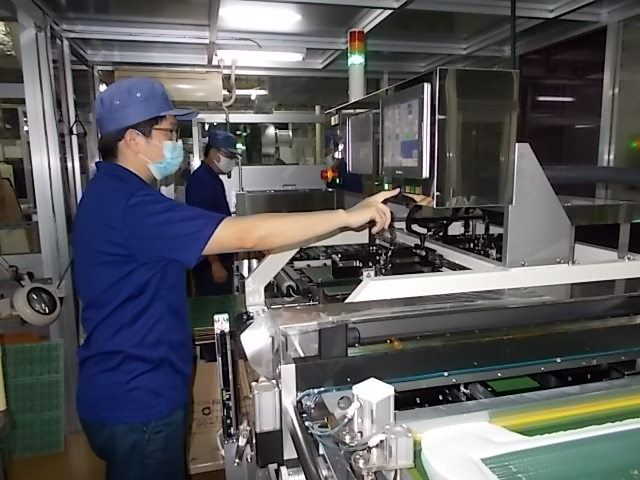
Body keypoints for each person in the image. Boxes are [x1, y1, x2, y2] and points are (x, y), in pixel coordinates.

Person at [72, 77, 398, 480]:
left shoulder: (107, 193)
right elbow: (247, 233)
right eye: (169, 133)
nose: (177, 143)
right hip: (139, 398)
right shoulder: (131, 205)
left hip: (123, 384)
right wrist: (348, 217)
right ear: (133, 140)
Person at [186, 130, 238, 296]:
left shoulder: (212, 179)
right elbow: (199, 226)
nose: (232, 161)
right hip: (210, 265)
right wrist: (215, 264)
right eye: (230, 156)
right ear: (215, 154)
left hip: (219, 258)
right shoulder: (201, 181)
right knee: (214, 304)